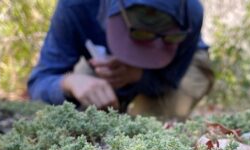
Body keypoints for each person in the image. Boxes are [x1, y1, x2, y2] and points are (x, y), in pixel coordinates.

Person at [28, 0, 214, 120]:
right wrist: (69, 83)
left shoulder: (191, 10)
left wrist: (140, 77)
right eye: (139, 35)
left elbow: (169, 81)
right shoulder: (76, 6)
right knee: (88, 117)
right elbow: (40, 80)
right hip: (102, 60)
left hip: (183, 63)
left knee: (150, 125)